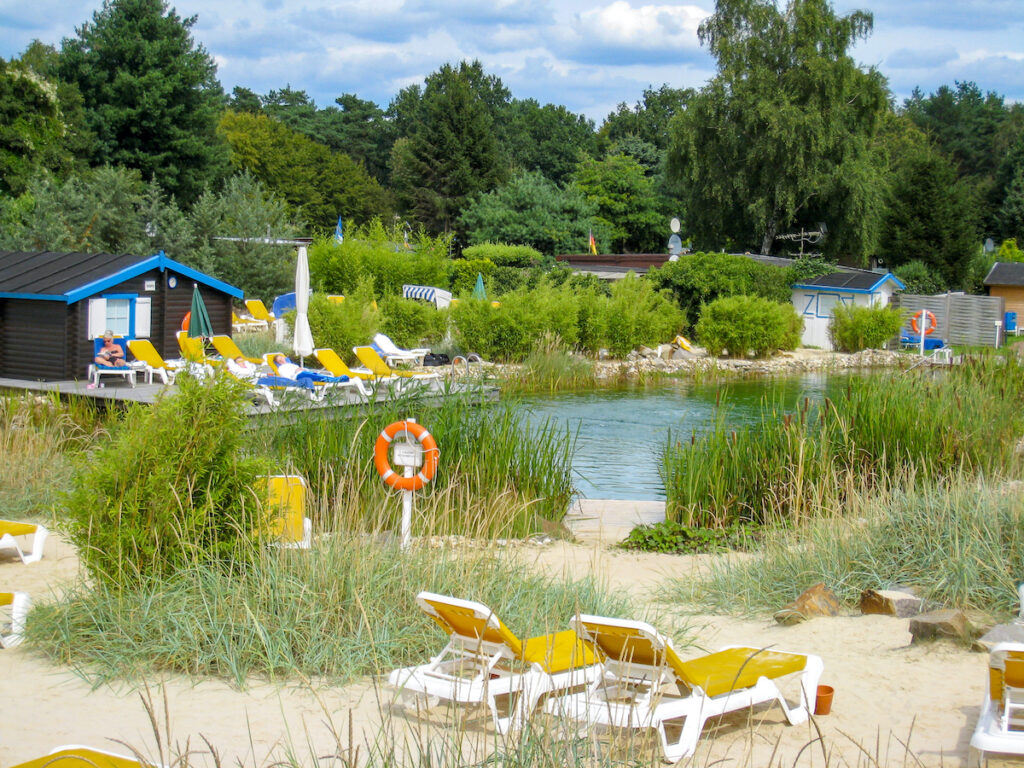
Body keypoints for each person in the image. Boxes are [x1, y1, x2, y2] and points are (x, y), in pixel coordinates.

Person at [227, 356, 315, 391]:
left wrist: (265, 373)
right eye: (239, 362)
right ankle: (301, 384)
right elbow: (248, 375)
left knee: (282, 379)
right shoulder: (239, 370)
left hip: (263, 377)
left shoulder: (250, 367)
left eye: (242, 361)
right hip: (257, 381)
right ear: (236, 364)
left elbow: (257, 371)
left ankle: (303, 383)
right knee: (280, 381)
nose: (241, 363)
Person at [273, 354, 349, 384]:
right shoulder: (281, 368)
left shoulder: (290, 364)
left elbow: (300, 369)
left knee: (316, 375)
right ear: (278, 363)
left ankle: (334, 379)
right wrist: (296, 371)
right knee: (316, 376)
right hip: (298, 376)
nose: (282, 360)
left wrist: (302, 369)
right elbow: (287, 377)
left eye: (282, 358)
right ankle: (335, 380)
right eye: (280, 360)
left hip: (303, 372)